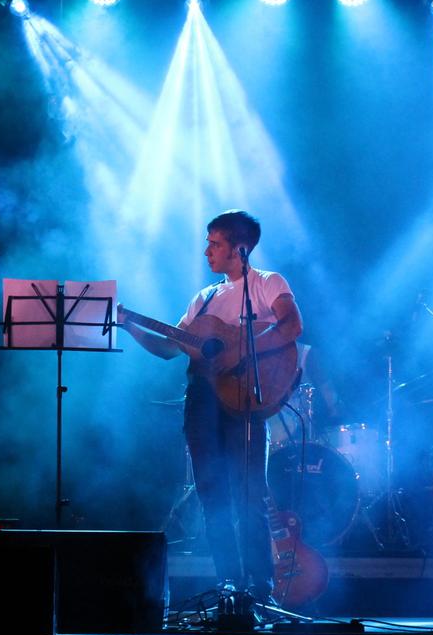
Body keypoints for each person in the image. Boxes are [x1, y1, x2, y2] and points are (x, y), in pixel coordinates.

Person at [124, 210, 303, 600]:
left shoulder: (268, 283)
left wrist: (241, 351)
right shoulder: (204, 300)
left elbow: (291, 326)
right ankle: (228, 584)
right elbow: (170, 348)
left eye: (215, 243)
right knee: (210, 491)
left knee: (250, 491)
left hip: (247, 399)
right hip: (203, 402)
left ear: (240, 248)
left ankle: (260, 587)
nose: (207, 250)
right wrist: (130, 325)